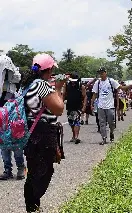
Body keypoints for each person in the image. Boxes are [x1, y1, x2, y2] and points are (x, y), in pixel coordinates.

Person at [21, 53, 65, 212]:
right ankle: (32, 205)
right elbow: (59, 109)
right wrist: (59, 88)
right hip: (43, 133)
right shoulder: (42, 85)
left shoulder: (28, 84)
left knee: (34, 170)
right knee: (43, 171)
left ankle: (32, 205)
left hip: (31, 132)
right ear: (50, 69)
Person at [91, 67, 132, 145]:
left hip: (110, 106)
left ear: (106, 72)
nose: (101, 74)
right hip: (101, 106)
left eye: (102, 72)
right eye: (100, 73)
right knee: (102, 123)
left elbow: (122, 88)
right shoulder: (97, 83)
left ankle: (111, 132)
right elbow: (94, 94)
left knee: (111, 122)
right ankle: (104, 138)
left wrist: (131, 85)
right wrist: (91, 104)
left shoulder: (111, 81)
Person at [0, 56, 24, 181]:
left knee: (16, 143)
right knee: (3, 145)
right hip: (2, 125)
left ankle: (21, 168)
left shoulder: (15, 93)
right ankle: (7, 170)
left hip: (13, 123)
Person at [64, 73, 86, 144]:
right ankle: (74, 136)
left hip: (78, 106)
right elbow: (63, 95)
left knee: (76, 121)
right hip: (70, 106)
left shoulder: (81, 86)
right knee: (71, 122)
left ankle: (76, 137)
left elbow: (85, 97)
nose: (73, 82)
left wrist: (84, 107)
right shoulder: (67, 85)